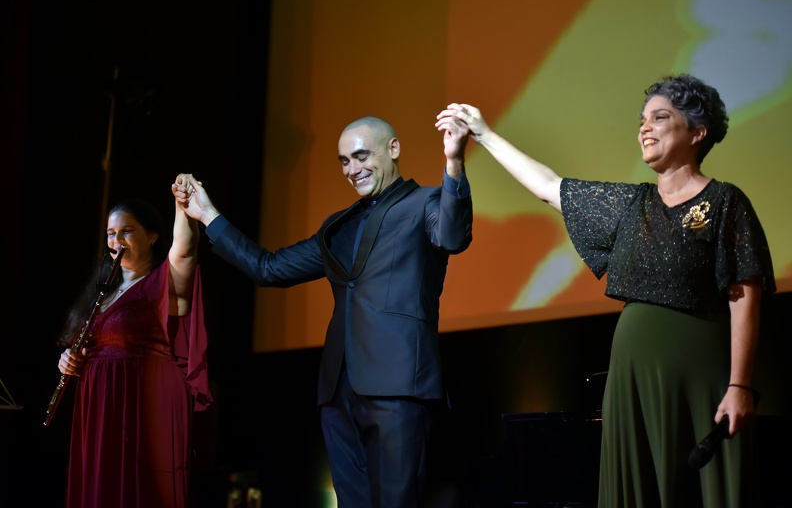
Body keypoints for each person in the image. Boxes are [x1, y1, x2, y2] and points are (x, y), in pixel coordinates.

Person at [437, 74, 775, 507]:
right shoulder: (631, 205)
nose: (645, 127)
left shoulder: (726, 202)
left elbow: (744, 295)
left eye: (660, 117)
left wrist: (740, 386)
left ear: (697, 131)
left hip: (700, 373)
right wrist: (484, 135)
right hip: (632, 372)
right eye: (642, 119)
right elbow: (547, 185)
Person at [172, 115, 473, 507]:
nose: (352, 169)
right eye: (344, 161)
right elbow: (268, 269)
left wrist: (454, 162)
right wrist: (208, 215)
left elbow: (452, 235)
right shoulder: (337, 226)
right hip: (337, 393)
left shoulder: (427, 202)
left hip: (400, 386)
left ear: (393, 149)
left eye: (362, 156)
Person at [56, 174, 213, 508]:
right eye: (111, 234)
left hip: (142, 398)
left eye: (127, 231)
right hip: (99, 403)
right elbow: (89, 348)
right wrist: (70, 357)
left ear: (152, 236)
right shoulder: (101, 295)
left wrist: (182, 206)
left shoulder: (160, 285)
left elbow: (184, 252)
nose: (117, 240)